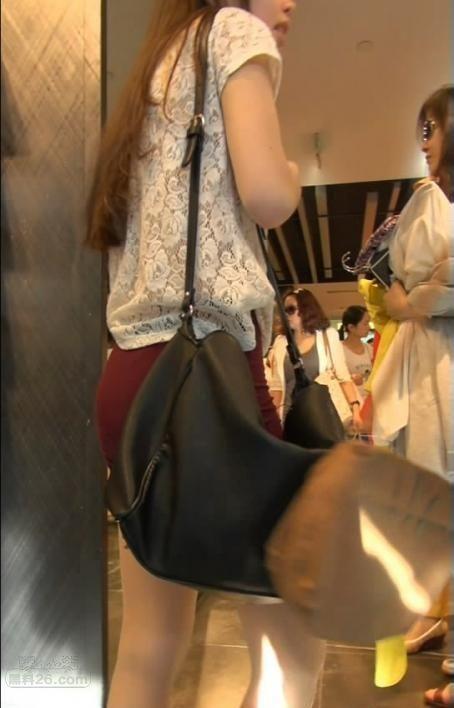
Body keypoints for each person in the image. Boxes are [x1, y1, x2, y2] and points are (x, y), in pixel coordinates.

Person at [86, 2, 327, 707]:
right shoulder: (232, 32)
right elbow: (267, 194)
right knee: (292, 653)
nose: (291, 4)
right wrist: (290, 169)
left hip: (134, 378)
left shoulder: (155, 72)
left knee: (150, 642)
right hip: (207, 383)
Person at [370, 85, 454, 707]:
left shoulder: (430, 200)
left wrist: (410, 298)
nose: (424, 142)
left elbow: (423, 285)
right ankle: (436, 620)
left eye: (433, 128)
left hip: (439, 364)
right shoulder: (434, 197)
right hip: (433, 361)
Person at [268, 288, 363, 429]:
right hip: (290, 416)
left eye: (290, 309)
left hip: (322, 414)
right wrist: (271, 419)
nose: (286, 314)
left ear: (306, 309)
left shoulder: (328, 336)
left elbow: (343, 376)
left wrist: (355, 409)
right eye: (284, 310)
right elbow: (277, 386)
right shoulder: (281, 342)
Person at [339, 305, 373, 402]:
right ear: (351, 327)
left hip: (369, 401)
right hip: (351, 401)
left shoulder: (369, 349)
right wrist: (350, 379)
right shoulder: (339, 349)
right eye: (365, 323)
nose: (369, 327)